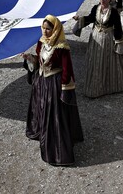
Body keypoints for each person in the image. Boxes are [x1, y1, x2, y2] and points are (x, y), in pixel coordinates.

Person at [22, 15, 84, 166]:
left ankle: (57, 149)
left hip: (54, 84)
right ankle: (42, 132)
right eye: (43, 28)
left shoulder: (62, 47)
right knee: (41, 109)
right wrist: (30, 58)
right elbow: (39, 60)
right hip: (42, 82)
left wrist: (64, 89)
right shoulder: (41, 42)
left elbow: (67, 69)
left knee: (55, 115)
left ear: (55, 29)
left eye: (48, 29)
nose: (45, 31)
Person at [73, 0, 123, 98]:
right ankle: (94, 88)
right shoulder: (95, 9)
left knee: (108, 62)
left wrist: (119, 42)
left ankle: (109, 86)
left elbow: (118, 28)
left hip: (107, 38)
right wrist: (79, 19)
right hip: (96, 38)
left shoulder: (113, 12)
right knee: (96, 62)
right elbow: (89, 19)